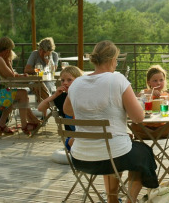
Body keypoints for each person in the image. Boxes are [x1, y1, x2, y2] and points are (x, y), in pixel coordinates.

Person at [63, 40, 158, 203]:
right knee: (142, 153)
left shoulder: (77, 83)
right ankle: (130, 200)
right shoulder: (117, 80)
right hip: (112, 157)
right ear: (113, 59)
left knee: (116, 146)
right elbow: (138, 117)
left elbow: (68, 110)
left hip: (80, 158)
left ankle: (112, 200)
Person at [0, 37, 41, 135]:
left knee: (13, 95)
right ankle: (24, 125)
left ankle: (1, 125)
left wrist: (15, 72)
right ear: (7, 50)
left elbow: (6, 75)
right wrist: (8, 61)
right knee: (22, 94)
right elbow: (10, 75)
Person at [38, 65, 83, 149]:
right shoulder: (61, 97)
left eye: (69, 80)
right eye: (62, 80)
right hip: (72, 138)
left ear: (79, 81)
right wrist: (54, 95)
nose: (65, 83)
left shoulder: (85, 96)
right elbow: (40, 108)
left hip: (88, 134)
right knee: (73, 141)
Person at [130, 65, 169, 140]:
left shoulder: (167, 96)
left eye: (161, 80)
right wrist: (150, 93)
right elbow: (138, 100)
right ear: (149, 83)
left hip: (161, 126)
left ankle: (152, 135)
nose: (158, 83)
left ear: (164, 81)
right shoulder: (145, 93)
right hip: (145, 126)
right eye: (155, 81)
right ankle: (155, 135)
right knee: (134, 125)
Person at [24, 37, 59, 101]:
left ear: (50, 51)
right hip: (36, 79)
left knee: (45, 86)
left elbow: (53, 70)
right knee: (35, 85)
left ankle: (43, 103)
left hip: (49, 80)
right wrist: (38, 70)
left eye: (44, 51)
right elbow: (26, 70)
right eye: (40, 50)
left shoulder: (54, 55)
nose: (41, 53)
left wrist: (48, 60)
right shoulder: (35, 54)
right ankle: (46, 102)